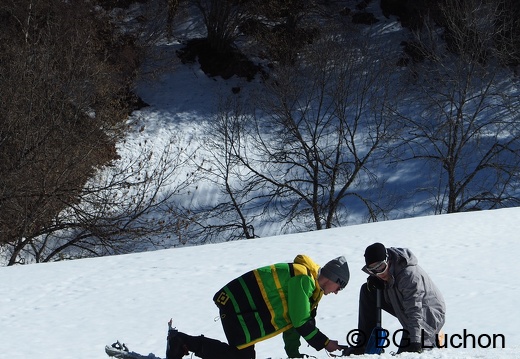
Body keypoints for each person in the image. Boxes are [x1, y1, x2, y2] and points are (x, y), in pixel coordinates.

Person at [167, 254, 351, 359]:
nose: (337, 292)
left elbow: (293, 325)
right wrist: (326, 343)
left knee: (241, 357)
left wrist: (294, 354)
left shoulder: (313, 292)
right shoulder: (303, 280)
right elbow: (300, 321)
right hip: (237, 306)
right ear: (334, 278)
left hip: (245, 310)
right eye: (339, 287)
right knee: (240, 358)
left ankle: (182, 342)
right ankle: (182, 341)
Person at [344, 243, 445, 356]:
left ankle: (432, 338)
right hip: (403, 304)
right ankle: (365, 345)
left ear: (388, 260)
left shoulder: (409, 275)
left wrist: (415, 342)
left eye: (380, 267)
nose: (379, 273)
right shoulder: (384, 272)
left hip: (427, 316)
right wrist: (375, 278)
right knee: (367, 289)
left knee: (405, 354)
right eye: (373, 270)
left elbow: (414, 309)